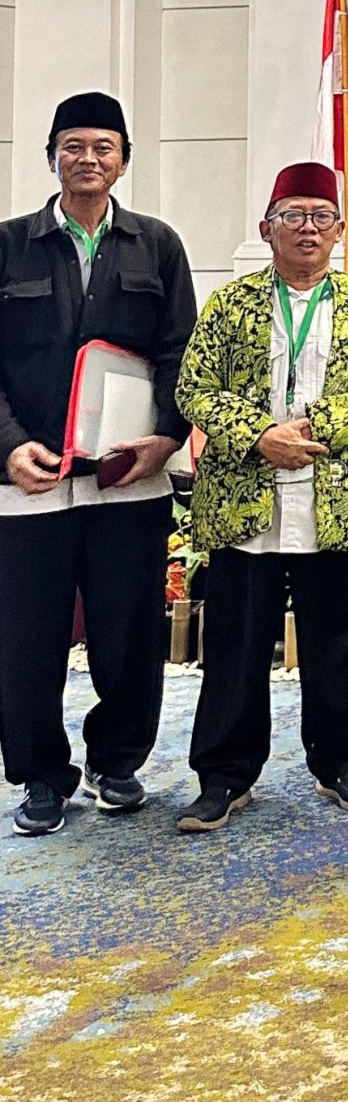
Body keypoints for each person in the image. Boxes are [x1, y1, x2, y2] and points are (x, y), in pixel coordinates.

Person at [174, 165, 348, 830]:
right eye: (293, 215)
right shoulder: (232, 303)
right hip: (244, 498)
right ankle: (224, 775)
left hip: (334, 496)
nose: (307, 228)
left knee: (335, 640)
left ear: (339, 230)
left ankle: (341, 763)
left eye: (320, 216)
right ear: (267, 228)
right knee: (236, 644)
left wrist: (322, 426)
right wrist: (260, 435)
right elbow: (193, 387)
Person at [0, 92, 195, 836]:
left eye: (103, 146)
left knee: (129, 633)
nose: (88, 158)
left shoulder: (157, 245)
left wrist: (166, 437)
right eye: (73, 145)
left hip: (127, 480)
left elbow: (180, 351)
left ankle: (118, 762)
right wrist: (8, 445)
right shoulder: (9, 245)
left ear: (124, 160)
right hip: (30, 480)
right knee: (27, 641)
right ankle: (40, 776)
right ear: (51, 156)